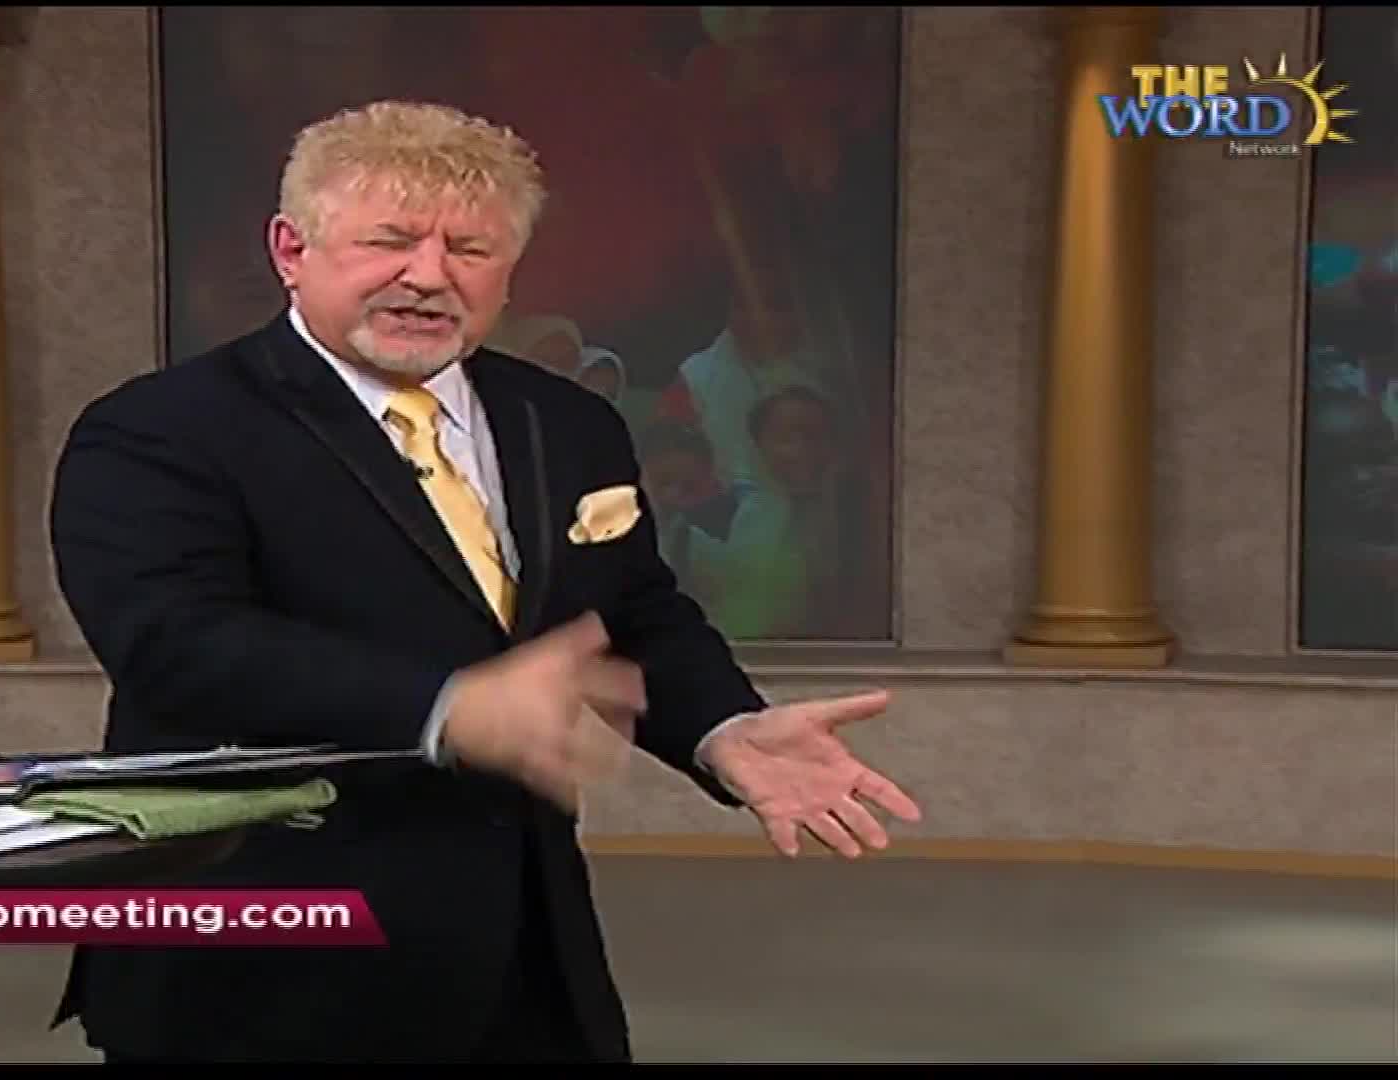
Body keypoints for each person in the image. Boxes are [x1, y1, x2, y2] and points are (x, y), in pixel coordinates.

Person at [48, 99, 921, 1064]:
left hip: (524, 959)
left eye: (469, 248)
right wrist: (446, 707)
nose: (428, 275)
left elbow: (635, 611)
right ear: (290, 249)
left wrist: (722, 728)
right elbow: (176, 643)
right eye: (389, 241)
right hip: (261, 966)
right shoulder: (162, 429)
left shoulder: (565, 420)